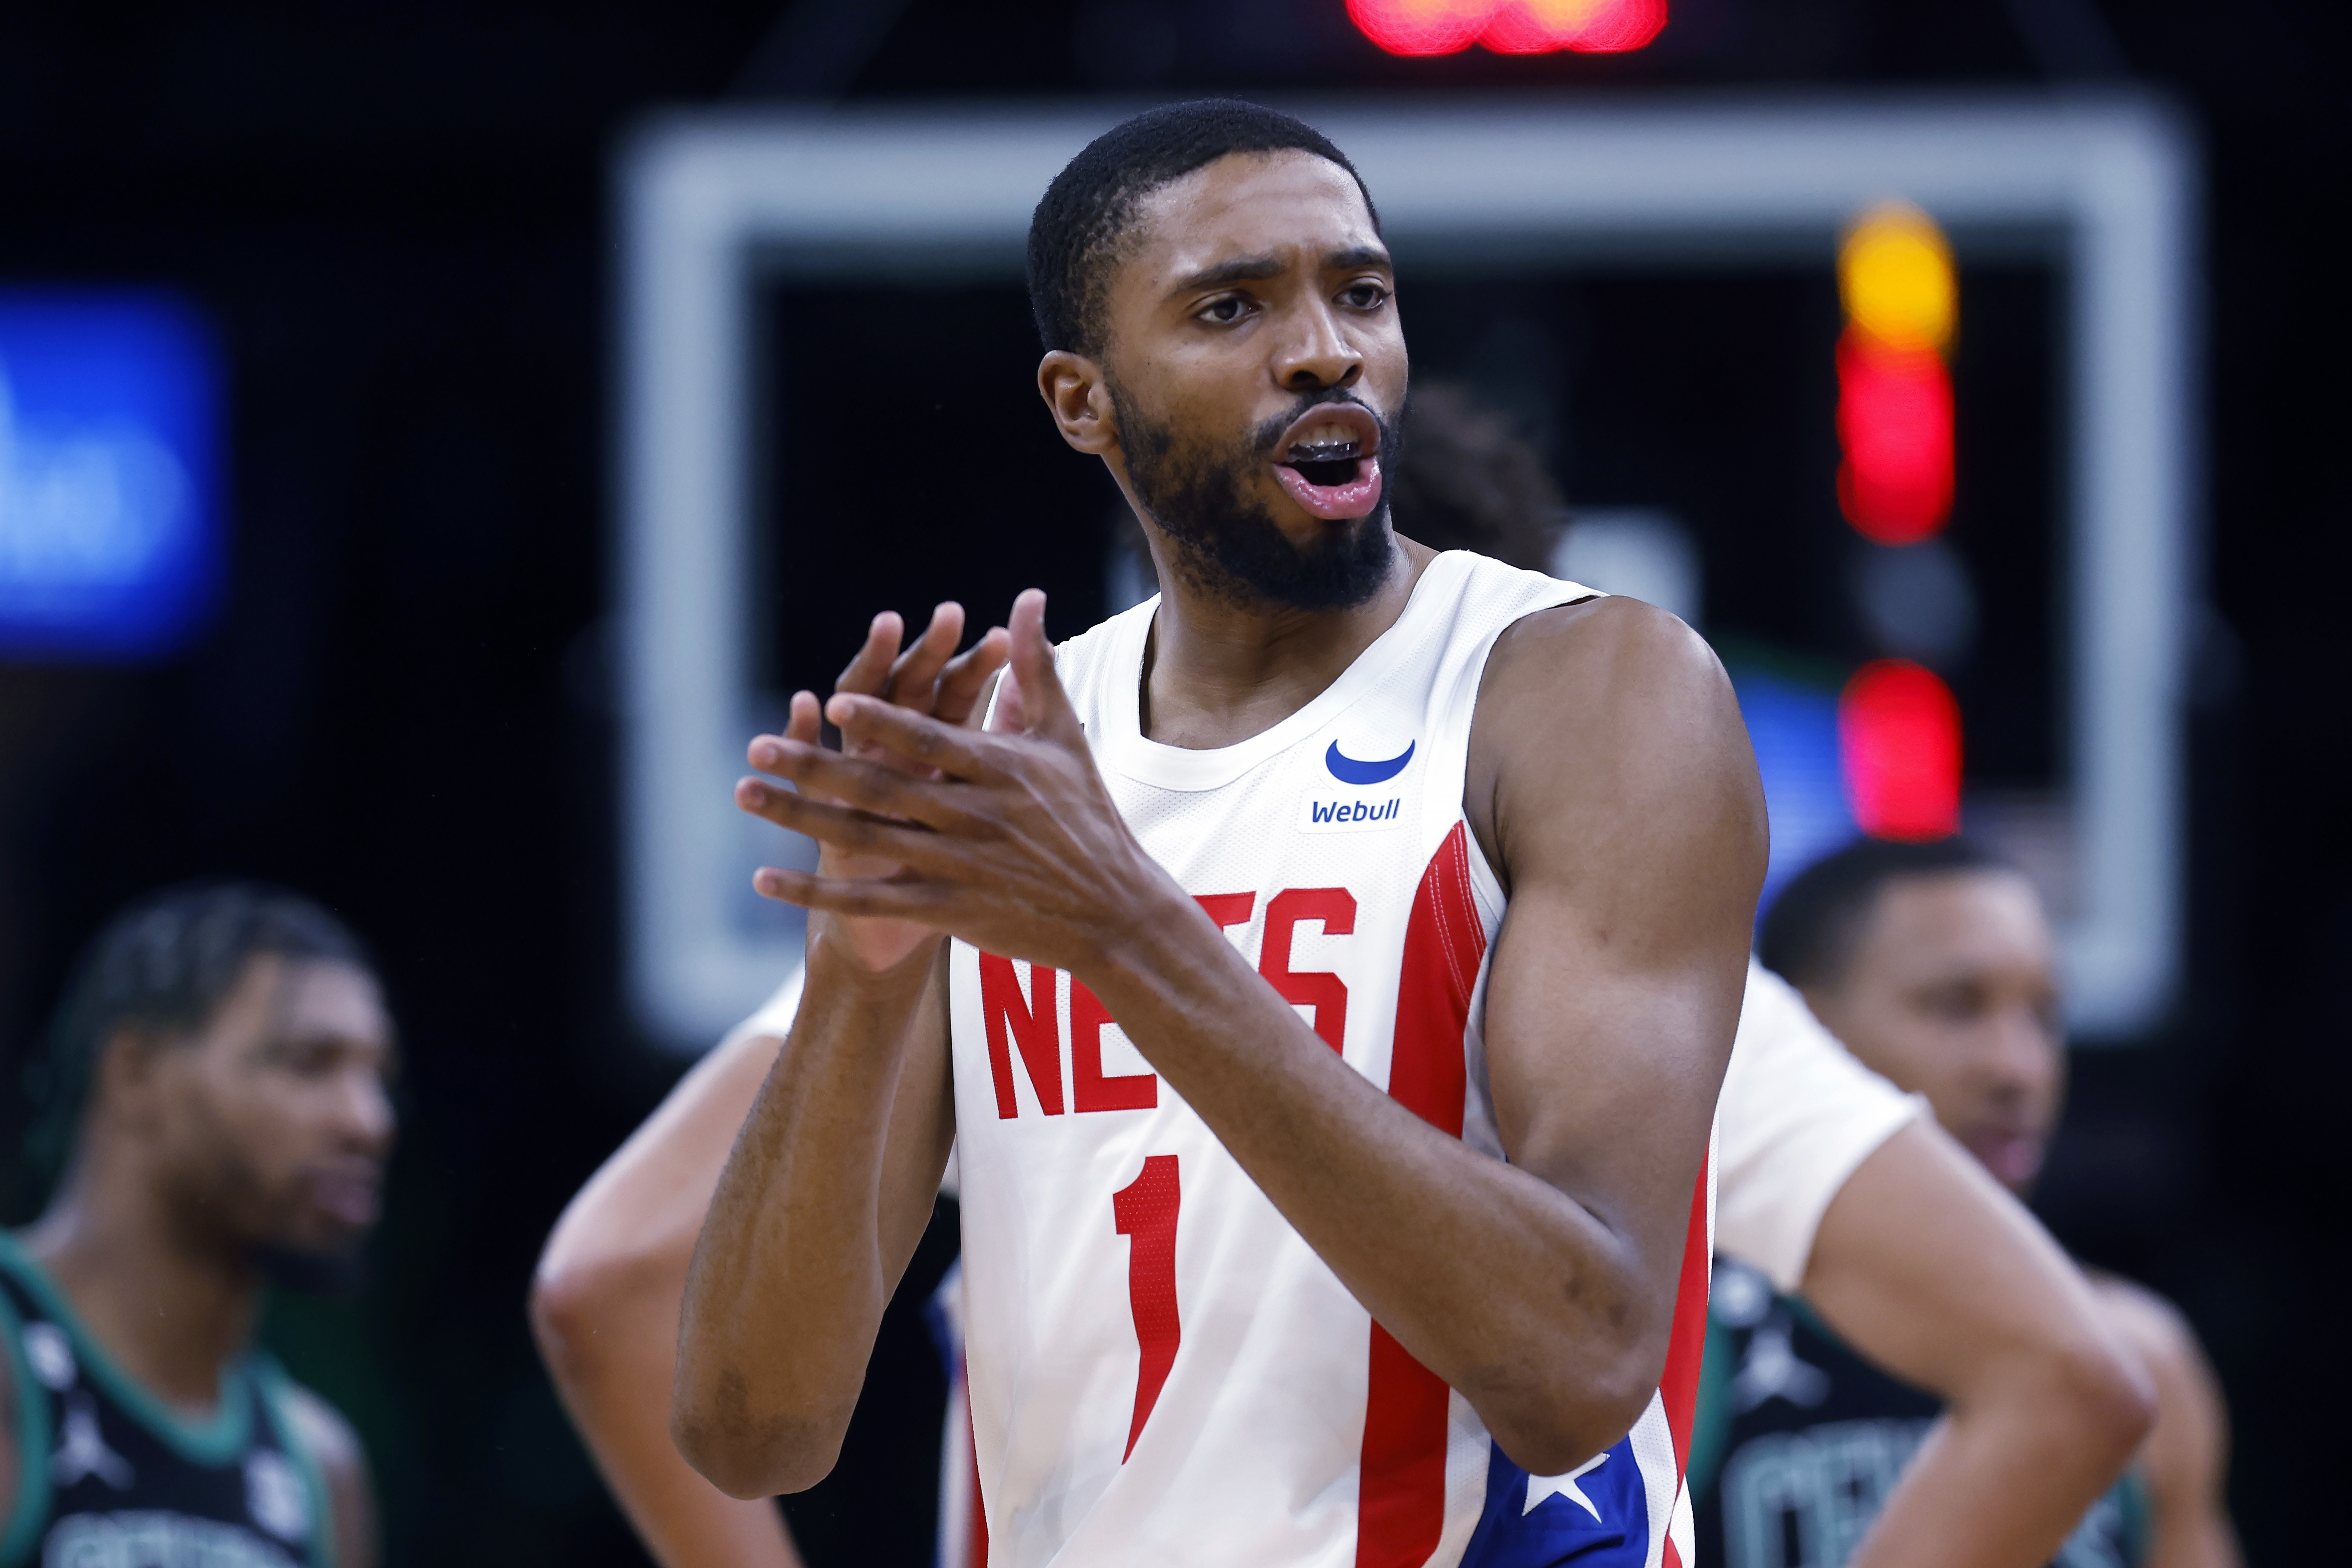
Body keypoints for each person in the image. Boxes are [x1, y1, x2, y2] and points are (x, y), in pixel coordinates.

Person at [671, 96, 1765, 1567]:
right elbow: (754, 1430)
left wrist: (1124, 932)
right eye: (1231, 306)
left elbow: (1577, 1364)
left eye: (1359, 292)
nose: (1325, 349)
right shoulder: (1009, 760)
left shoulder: (1581, 690)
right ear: (1082, 400)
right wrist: (857, 983)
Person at [1688, 837, 2242, 1568]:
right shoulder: (1691, 1341)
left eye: (2044, 1016)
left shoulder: (2145, 1354)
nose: (2018, 1067)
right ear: (1803, 1037)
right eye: (1957, 1006)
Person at [0, 883, 392, 1568]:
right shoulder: (14, 1362)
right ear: (136, 1072)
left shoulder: (319, 1467)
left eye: (380, 1078)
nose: (368, 1121)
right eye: (308, 1063)